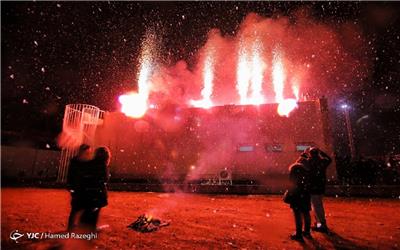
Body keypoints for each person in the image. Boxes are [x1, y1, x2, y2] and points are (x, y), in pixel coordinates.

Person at [79, 147, 111, 231]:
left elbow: (84, 176)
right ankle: (90, 229)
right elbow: (105, 179)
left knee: (88, 210)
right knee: (94, 212)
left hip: (88, 191)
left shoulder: (90, 163)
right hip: (97, 193)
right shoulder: (103, 166)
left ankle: (83, 226)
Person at [66, 144, 93, 231]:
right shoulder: (76, 161)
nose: (89, 153)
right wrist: (71, 187)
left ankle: (78, 226)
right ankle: (71, 227)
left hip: (84, 188)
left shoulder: (87, 161)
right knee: (75, 208)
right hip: (77, 188)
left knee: (83, 208)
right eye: (87, 151)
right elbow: (71, 175)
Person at [308, 147, 332, 233]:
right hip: (321, 187)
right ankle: (320, 224)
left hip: (313, 187)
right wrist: (322, 153)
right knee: (319, 206)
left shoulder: (310, 162)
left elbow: (301, 163)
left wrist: (304, 156)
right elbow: (329, 159)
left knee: (316, 207)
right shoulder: (322, 162)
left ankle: (322, 225)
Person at [286, 163, 311, 242]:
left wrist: (289, 194)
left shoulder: (293, 175)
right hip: (305, 196)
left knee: (297, 215)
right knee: (306, 213)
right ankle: (307, 231)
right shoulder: (306, 175)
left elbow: (290, 186)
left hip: (296, 196)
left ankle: (298, 234)